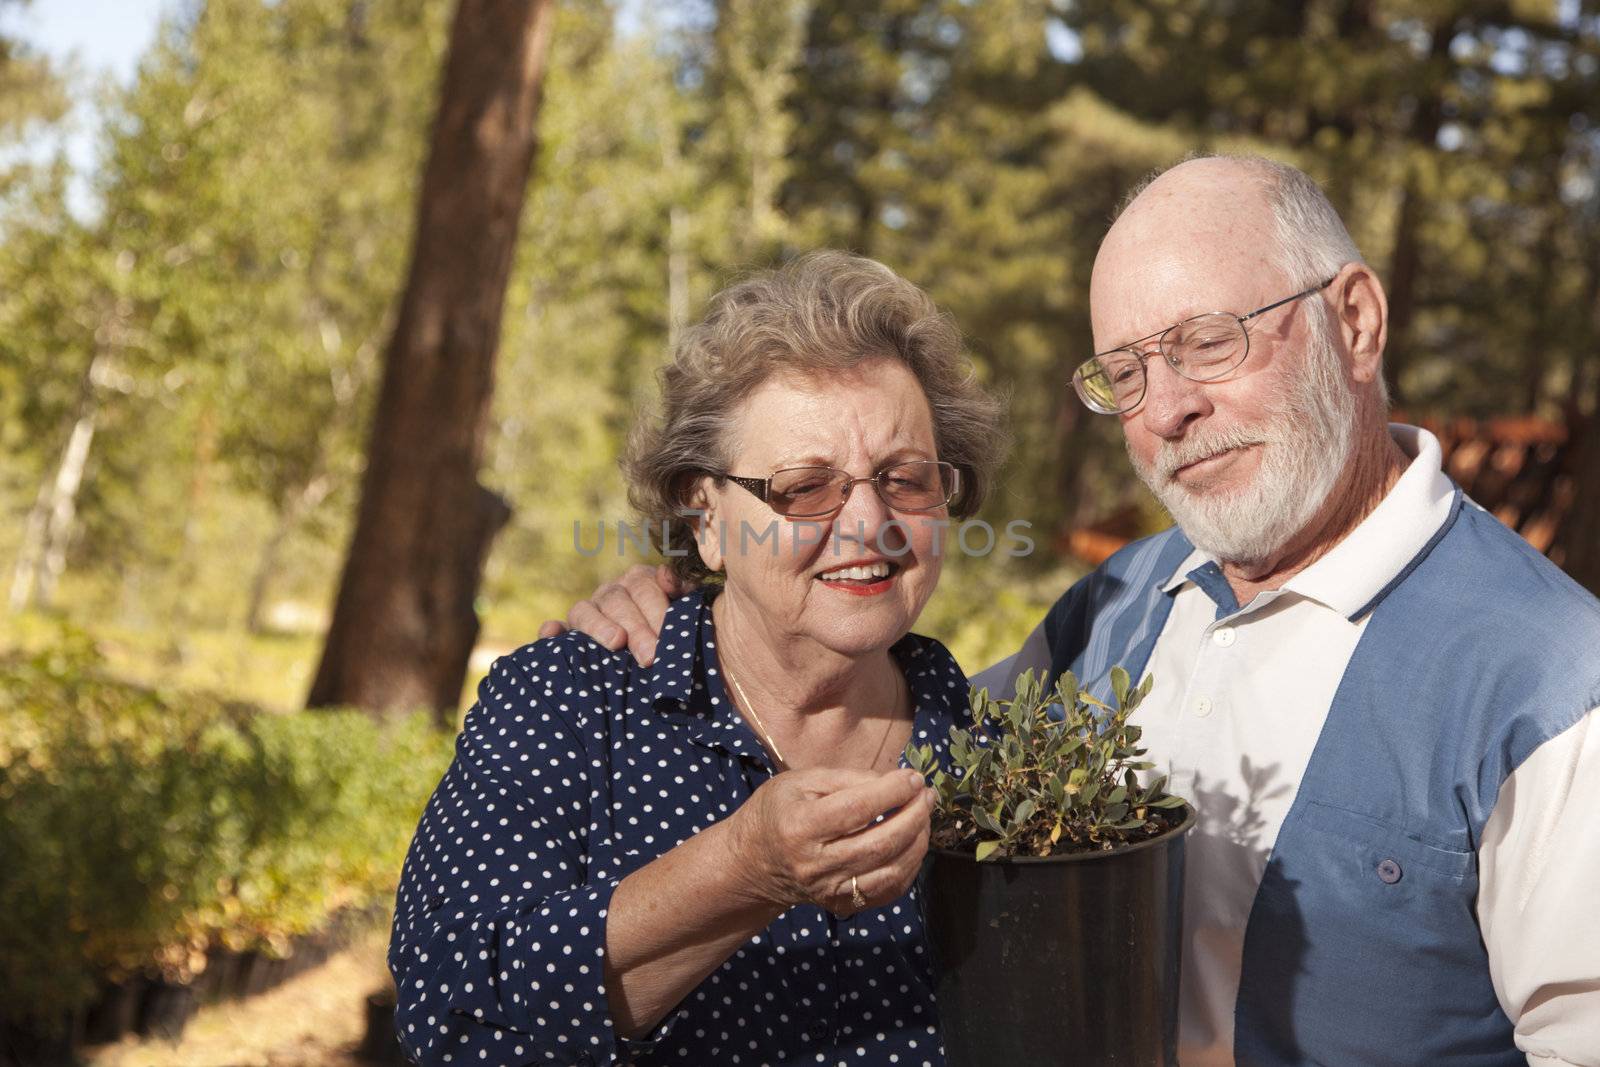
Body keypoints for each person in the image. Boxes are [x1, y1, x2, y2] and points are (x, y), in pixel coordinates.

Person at [548, 156, 1600, 1065]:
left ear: (1355, 321)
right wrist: (688, 586)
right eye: (1128, 372)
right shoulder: (1119, 604)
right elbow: (903, 716)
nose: (1169, 407)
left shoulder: (1550, 682)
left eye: (1208, 341)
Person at [388, 251, 1007, 1066]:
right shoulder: (569, 702)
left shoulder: (1001, 764)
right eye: (804, 485)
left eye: (904, 477)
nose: (867, 524)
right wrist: (745, 868)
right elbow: (451, 1007)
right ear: (706, 514)